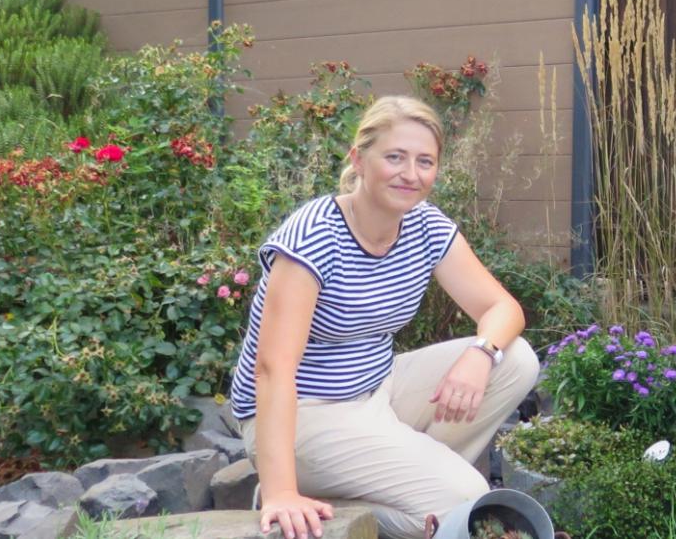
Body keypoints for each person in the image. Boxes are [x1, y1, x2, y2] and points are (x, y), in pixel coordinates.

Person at [228, 95, 538, 539]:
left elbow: (502, 309)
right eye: (395, 157)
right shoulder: (314, 235)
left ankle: (405, 485)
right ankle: (327, 502)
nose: (411, 174)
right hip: (304, 415)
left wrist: (480, 353)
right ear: (359, 159)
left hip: (377, 392)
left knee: (515, 358)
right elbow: (273, 368)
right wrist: (280, 492)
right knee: (465, 499)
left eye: (425, 162)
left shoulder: (425, 227)